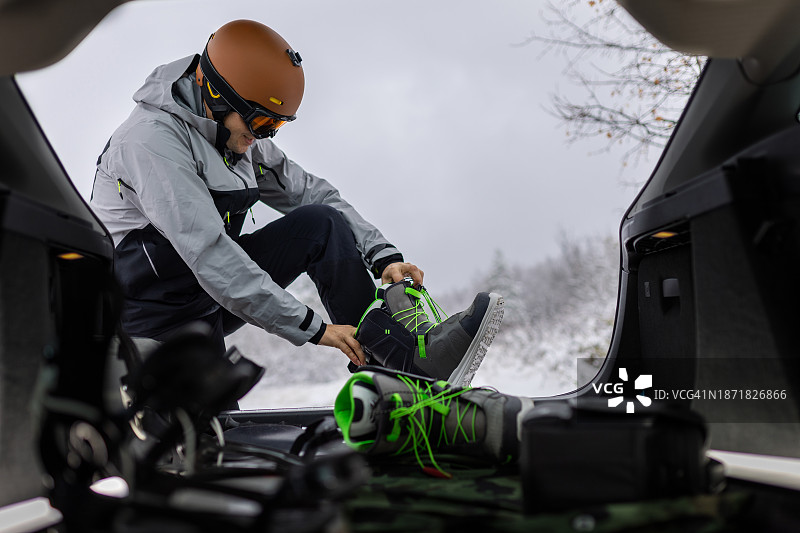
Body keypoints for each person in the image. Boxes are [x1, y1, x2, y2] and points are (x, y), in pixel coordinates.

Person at [91, 20, 502, 384]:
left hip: (208, 291)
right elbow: (210, 254)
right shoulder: (152, 143)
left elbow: (310, 192)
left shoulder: (237, 134)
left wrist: (383, 254)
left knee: (320, 223)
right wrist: (316, 329)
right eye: (261, 122)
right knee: (208, 443)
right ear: (216, 95)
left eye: (277, 125)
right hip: (156, 314)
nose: (264, 136)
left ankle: (392, 363)